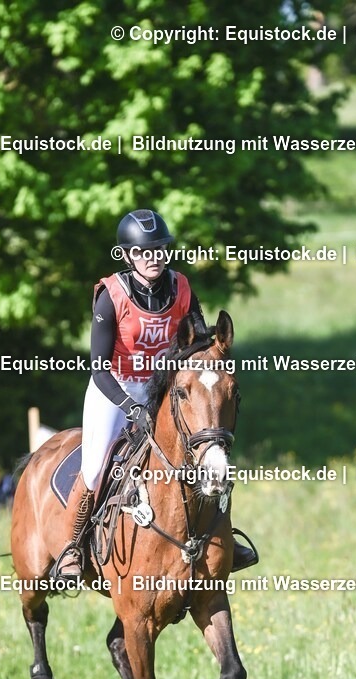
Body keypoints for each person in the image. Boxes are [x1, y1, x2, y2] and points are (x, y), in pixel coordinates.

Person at [57, 208, 257, 578]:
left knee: (205, 450)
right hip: (114, 389)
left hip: (164, 388)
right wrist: (129, 406)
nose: (153, 258)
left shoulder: (181, 288)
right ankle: (72, 547)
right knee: (96, 465)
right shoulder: (110, 297)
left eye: (159, 250)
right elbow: (98, 368)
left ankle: (223, 539)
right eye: (143, 252)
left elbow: (198, 343)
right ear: (128, 255)